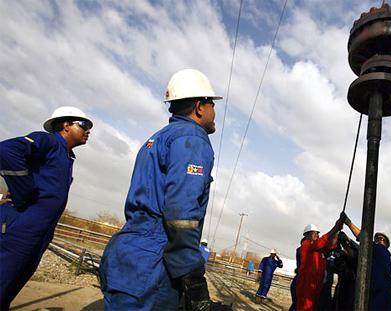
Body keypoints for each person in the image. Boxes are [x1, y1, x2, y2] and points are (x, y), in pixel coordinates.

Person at [99, 69, 227, 311]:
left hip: (126, 252)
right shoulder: (192, 139)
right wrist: (192, 274)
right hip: (155, 261)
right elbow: (181, 213)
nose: (214, 111)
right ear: (200, 107)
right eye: (212, 104)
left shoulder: (157, 138)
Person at [0, 106, 93, 309]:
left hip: (39, 233)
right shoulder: (48, 141)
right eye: (84, 125)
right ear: (66, 125)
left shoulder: (66, 156)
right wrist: (22, 190)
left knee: (11, 286)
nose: (88, 131)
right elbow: (6, 150)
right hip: (20, 227)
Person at [344, 213, 391, 310]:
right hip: (382, 294)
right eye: (377, 238)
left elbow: (363, 239)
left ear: (386, 245)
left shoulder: (381, 250)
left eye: (382, 239)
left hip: (380, 293)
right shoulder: (373, 254)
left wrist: (348, 223)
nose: (379, 240)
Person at [296, 213, 345, 311]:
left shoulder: (320, 250)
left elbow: (330, 245)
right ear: (307, 235)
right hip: (306, 285)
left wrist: (337, 230)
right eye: (315, 233)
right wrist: (335, 227)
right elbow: (321, 241)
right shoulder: (306, 245)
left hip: (316, 285)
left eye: (318, 233)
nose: (317, 235)